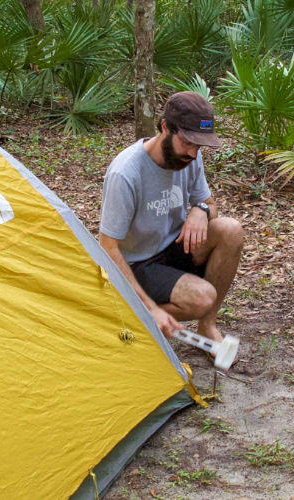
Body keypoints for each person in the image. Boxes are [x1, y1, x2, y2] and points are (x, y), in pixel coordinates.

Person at [99, 91, 244, 343]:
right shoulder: (126, 173)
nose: (193, 152)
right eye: (187, 142)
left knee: (230, 229)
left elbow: (210, 204)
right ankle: (134, 321)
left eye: (199, 145)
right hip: (139, 264)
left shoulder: (191, 158)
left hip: (174, 247)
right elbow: (108, 248)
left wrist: (201, 210)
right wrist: (152, 308)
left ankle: (207, 326)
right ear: (165, 127)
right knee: (202, 297)